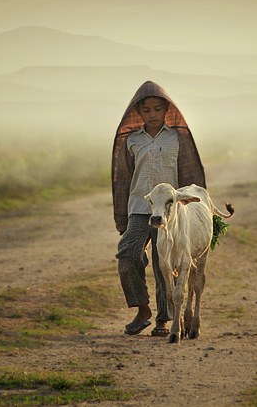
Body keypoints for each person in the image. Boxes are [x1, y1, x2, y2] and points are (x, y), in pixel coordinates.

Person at [111, 81, 206, 336]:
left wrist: (199, 215)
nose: (152, 115)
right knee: (128, 255)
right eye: (146, 110)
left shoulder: (177, 138)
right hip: (140, 208)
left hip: (171, 212)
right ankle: (143, 310)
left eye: (157, 109)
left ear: (167, 110)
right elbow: (123, 180)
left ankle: (164, 319)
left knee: (164, 263)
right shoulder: (131, 141)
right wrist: (122, 215)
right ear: (137, 112)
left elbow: (191, 177)